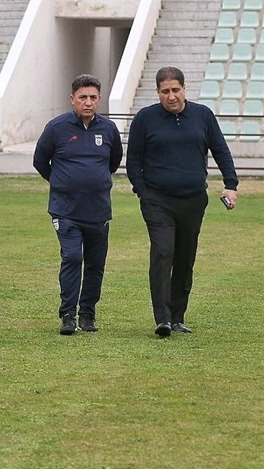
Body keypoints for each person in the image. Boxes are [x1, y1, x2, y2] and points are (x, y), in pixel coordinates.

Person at [127, 66, 239, 337]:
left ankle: (178, 317)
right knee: (163, 252)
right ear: (158, 93)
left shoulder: (203, 116)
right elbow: (133, 161)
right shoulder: (145, 118)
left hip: (193, 200)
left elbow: (221, 150)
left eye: (175, 90)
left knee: (185, 258)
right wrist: (143, 191)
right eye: (165, 91)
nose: (171, 96)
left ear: (184, 89)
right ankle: (162, 318)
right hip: (157, 201)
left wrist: (230, 185)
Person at [33, 74, 123, 335]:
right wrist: (61, 182)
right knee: (72, 257)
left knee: (95, 264)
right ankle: (67, 314)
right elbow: (40, 161)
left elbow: (113, 162)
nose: (88, 102)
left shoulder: (108, 129)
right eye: (82, 97)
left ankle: (87, 314)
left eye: (93, 97)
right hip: (66, 209)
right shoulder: (56, 128)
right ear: (72, 99)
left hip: (98, 210)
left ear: (99, 100)